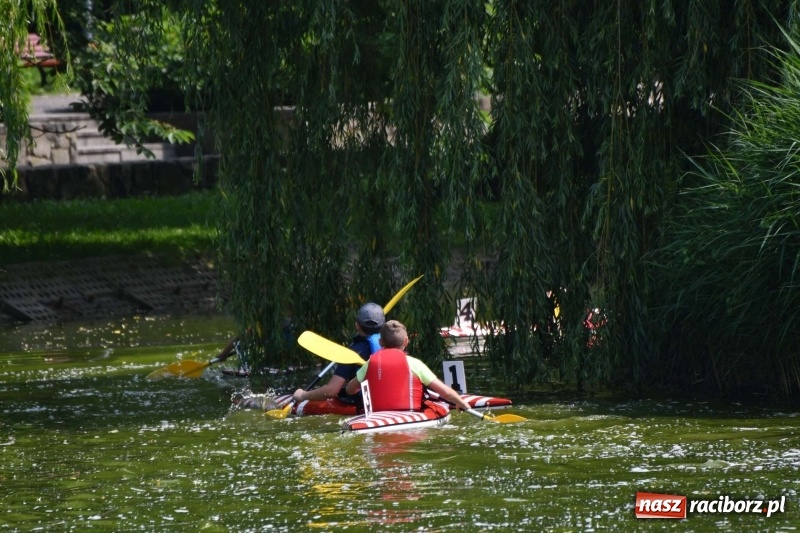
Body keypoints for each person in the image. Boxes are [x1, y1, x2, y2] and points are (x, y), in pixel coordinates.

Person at [345, 319, 472, 412]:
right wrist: (461, 403)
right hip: (410, 418)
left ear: (380, 342)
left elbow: (350, 390)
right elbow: (446, 393)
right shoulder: (415, 364)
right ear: (406, 341)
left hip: (377, 418)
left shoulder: (369, 364)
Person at [291, 302, 385, 406]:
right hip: (387, 398)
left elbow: (331, 391)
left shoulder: (351, 353)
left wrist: (303, 395)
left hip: (362, 404)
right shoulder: (391, 346)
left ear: (357, 325)